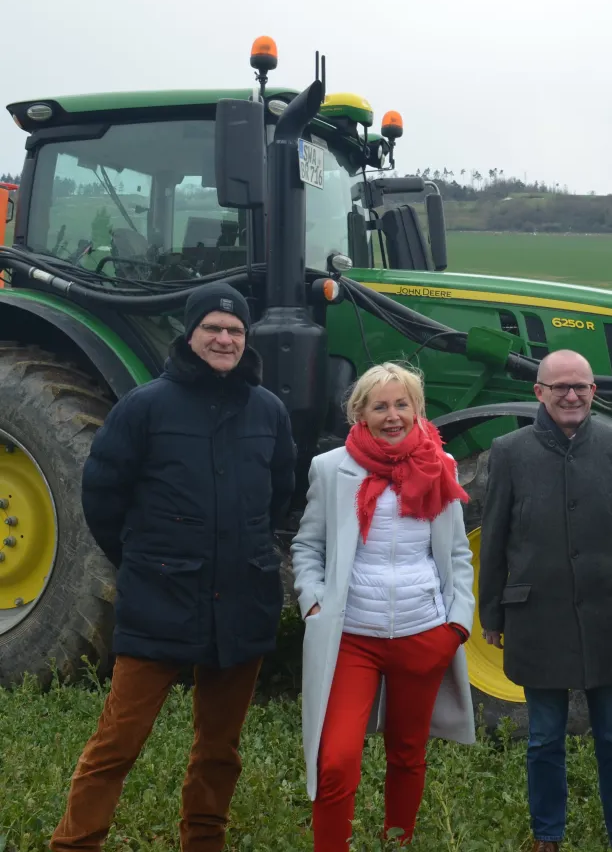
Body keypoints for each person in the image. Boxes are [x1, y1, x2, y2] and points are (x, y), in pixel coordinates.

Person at [50, 282, 297, 852]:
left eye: (235, 330)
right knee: (119, 740)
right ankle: (75, 844)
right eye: (213, 327)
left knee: (219, 748)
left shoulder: (269, 411)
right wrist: (148, 561)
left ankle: (204, 840)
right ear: (190, 335)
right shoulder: (145, 406)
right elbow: (103, 497)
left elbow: (278, 495)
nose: (224, 338)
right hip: (161, 599)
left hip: (240, 600)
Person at [290, 361, 476, 851]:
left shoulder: (442, 466)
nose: (392, 416)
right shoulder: (331, 469)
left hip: (424, 634)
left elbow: (457, 554)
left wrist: (455, 626)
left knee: (408, 753)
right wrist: (313, 602)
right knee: (336, 759)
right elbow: (307, 546)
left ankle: (398, 842)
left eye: (401, 404)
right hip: (353, 637)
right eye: (380, 406)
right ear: (360, 413)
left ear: (417, 410)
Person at [479, 349, 612, 852]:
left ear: (594, 391)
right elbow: (494, 538)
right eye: (560, 388)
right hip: (538, 618)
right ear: (539, 393)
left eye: (581, 387)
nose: (571, 396)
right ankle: (547, 834)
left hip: (609, 619)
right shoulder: (509, 451)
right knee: (544, 737)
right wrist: (492, 612)